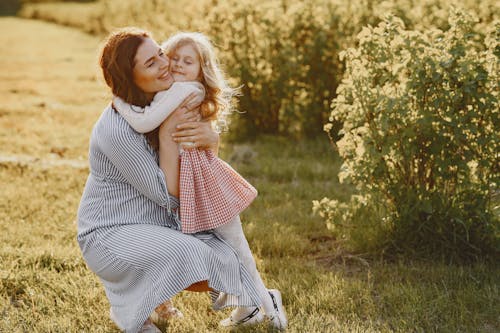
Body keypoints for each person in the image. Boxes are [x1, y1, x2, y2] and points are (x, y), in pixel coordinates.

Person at [76, 27, 263, 333]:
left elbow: (194, 170)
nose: (165, 64)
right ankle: (130, 315)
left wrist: (211, 141)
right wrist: (166, 135)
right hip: (108, 234)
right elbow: (170, 195)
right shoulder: (117, 129)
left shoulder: (159, 105)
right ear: (129, 78)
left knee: (223, 253)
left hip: (150, 224)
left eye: (159, 53)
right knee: (193, 255)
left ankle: (157, 300)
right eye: (150, 63)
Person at [112, 32, 287, 330]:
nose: (178, 65)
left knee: (234, 245)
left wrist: (119, 102)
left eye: (188, 61)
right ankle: (247, 307)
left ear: (200, 71)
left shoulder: (185, 91)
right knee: (214, 249)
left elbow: (144, 121)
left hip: (203, 185)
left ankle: (268, 302)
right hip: (190, 184)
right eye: (174, 57)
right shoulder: (169, 92)